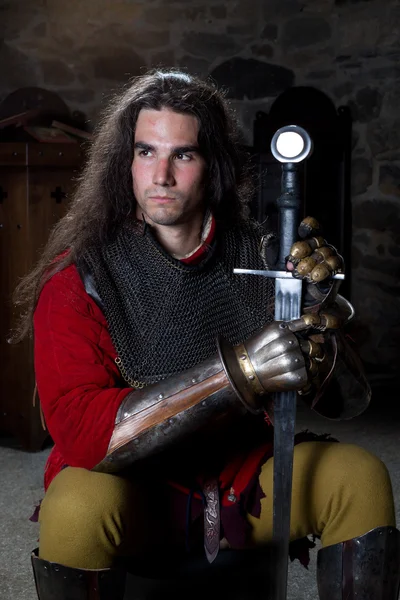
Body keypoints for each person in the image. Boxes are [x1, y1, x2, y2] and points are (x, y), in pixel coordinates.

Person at [13, 70, 398, 599]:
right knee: (74, 506)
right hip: (133, 491)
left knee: (360, 477)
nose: (162, 175)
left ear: (211, 164)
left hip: (242, 479)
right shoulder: (80, 279)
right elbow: (81, 432)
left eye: (183, 155)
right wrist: (239, 371)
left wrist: (317, 313)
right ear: (124, 161)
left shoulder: (263, 259)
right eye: (146, 152)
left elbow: (350, 401)